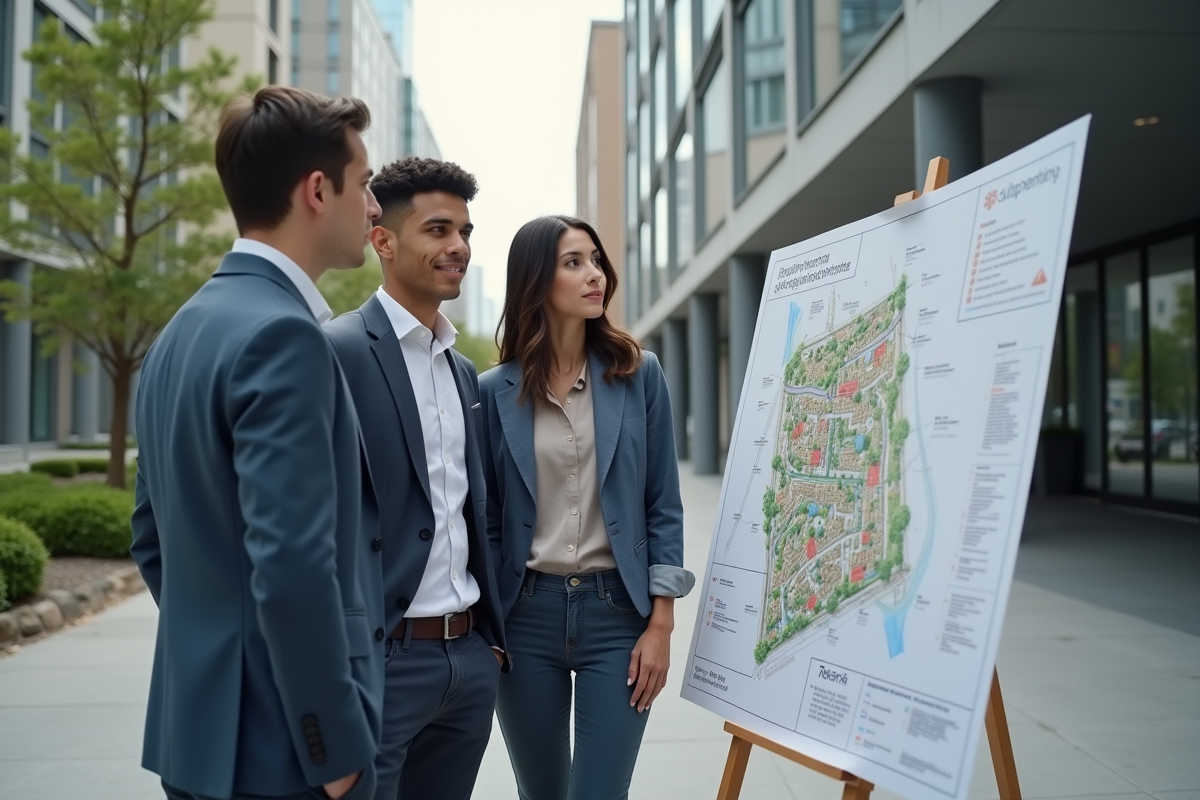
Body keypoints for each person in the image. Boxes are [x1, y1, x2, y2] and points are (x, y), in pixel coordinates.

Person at [129, 86, 385, 800]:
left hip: (199, 743)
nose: (373, 207)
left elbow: (153, 539)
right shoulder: (285, 337)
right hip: (288, 760)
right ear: (316, 190)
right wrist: (332, 749)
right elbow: (294, 561)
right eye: (364, 184)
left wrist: (218, 655)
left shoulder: (176, 335)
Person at [478, 215, 696, 800]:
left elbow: (662, 505)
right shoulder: (492, 389)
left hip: (617, 617)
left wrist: (661, 622)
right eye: (573, 263)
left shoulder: (639, 375)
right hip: (525, 618)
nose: (594, 275)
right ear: (535, 281)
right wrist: (491, 625)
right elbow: (488, 516)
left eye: (596, 260)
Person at [324, 156, 508, 800]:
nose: (457, 246)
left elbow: (468, 507)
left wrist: (487, 644)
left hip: (466, 661)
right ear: (383, 239)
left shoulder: (462, 371)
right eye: (437, 230)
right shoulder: (335, 351)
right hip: (380, 662)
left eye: (464, 231)